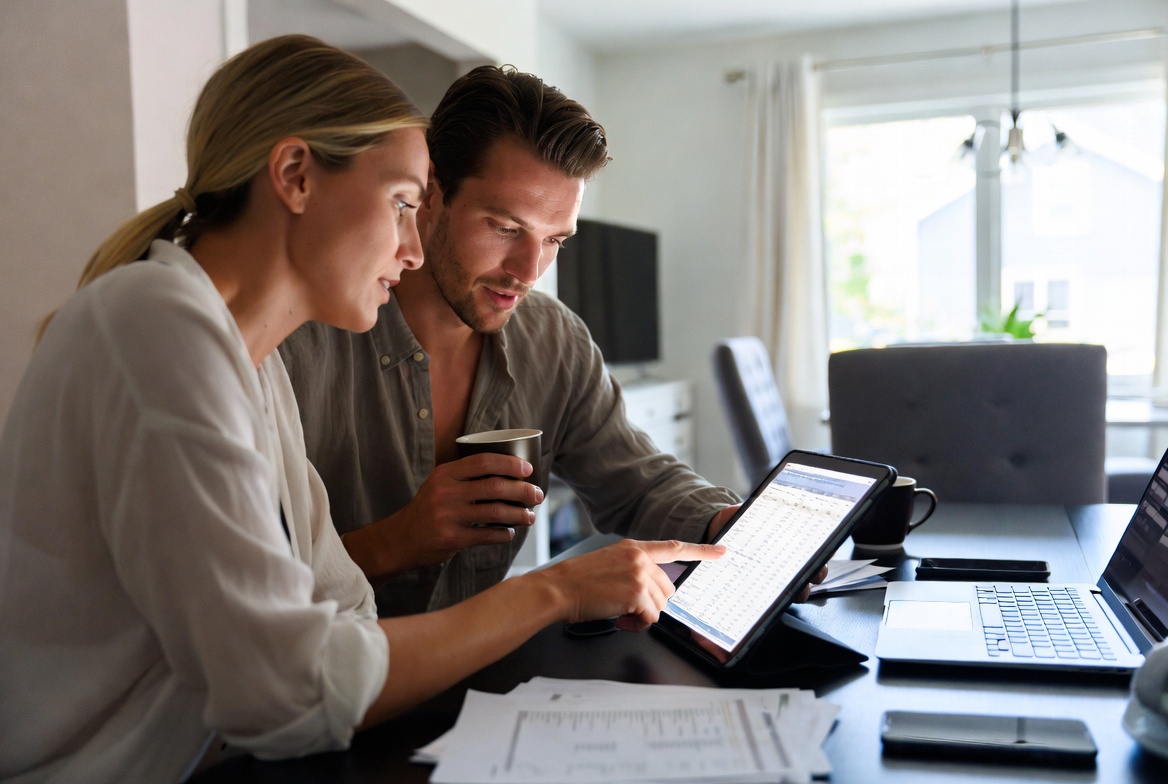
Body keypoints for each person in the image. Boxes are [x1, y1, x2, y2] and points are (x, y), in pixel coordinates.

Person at [0, 35, 723, 783]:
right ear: (296, 176)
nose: (411, 249)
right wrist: (556, 589)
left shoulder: (245, 364)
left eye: (554, 240)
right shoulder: (159, 329)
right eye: (405, 202)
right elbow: (293, 691)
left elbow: (338, 612)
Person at [279, 65, 743, 617]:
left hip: (489, 683)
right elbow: (239, 587)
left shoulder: (553, 338)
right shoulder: (298, 344)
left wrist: (727, 524)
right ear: (430, 194)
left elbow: (637, 483)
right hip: (343, 691)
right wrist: (396, 541)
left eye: (554, 241)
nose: (529, 270)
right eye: (505, 228)